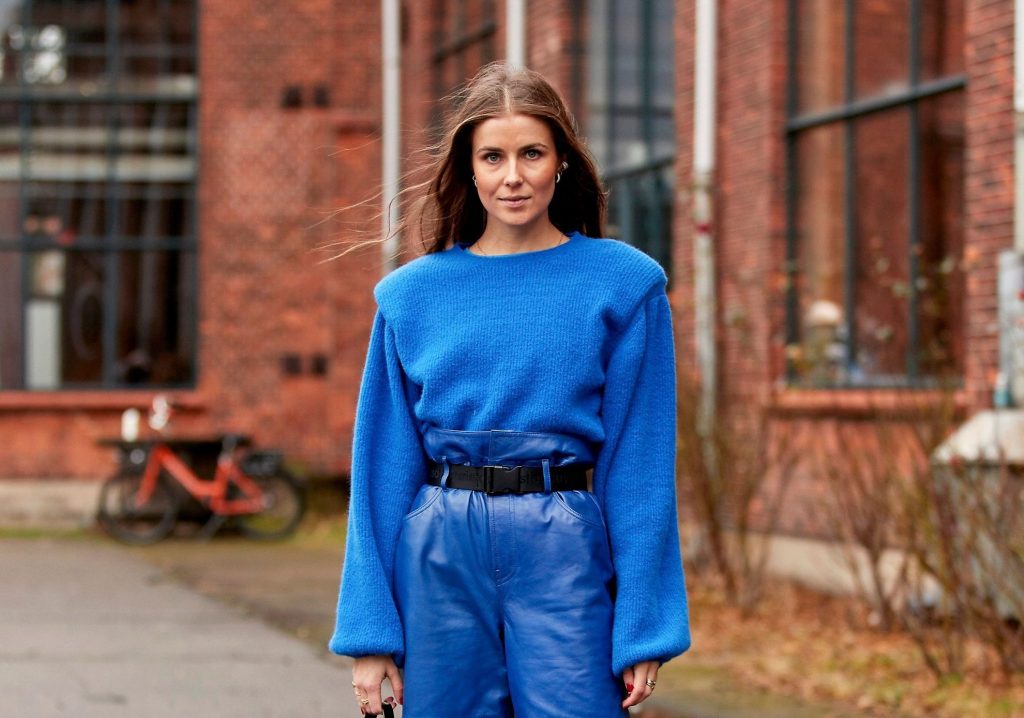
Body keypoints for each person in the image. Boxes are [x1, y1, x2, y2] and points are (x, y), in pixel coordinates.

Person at [329, 61, 691, 717]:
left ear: (563, 162)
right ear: (470, 170)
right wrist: (369, 633)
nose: (513, 176)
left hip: (564, 545)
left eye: (532, 153)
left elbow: (639, 466)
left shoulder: (624, 285)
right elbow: (381, 469)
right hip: (440, 548)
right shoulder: (411, 296)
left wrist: (644, 623)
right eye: (492, 157)